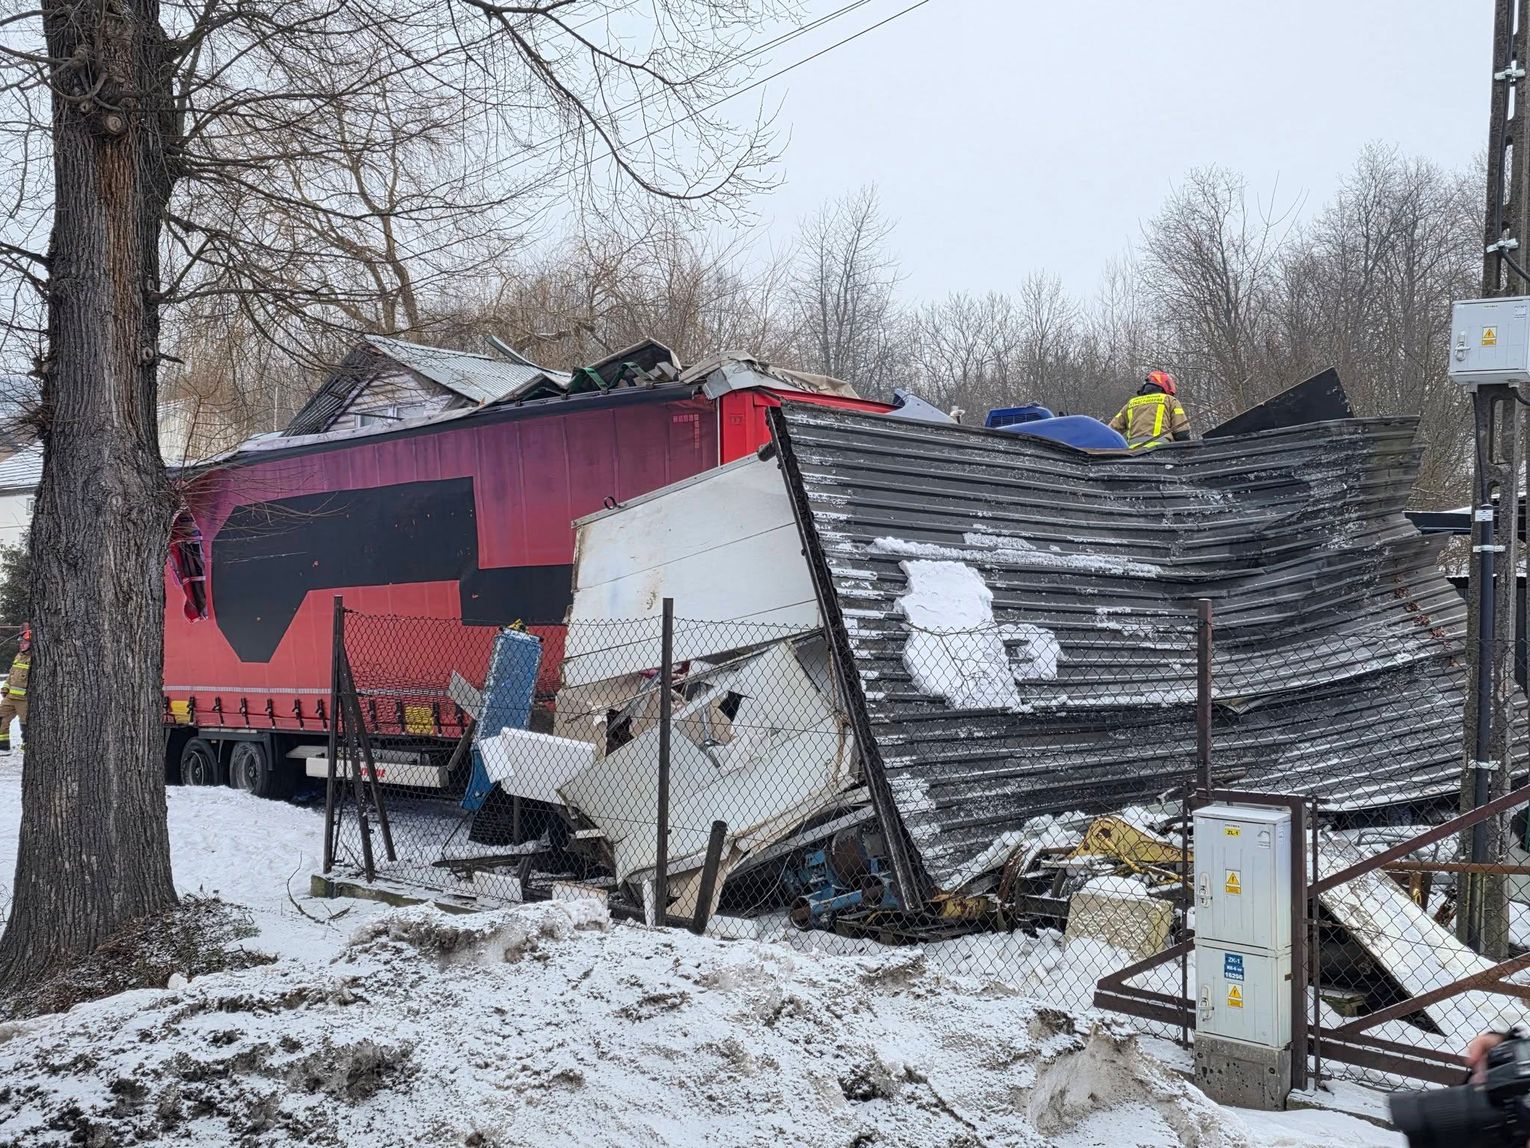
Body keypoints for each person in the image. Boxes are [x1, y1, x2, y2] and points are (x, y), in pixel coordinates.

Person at [1108, 370, 1193, 450]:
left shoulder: (1130, 404)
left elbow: (1110, 430)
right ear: (1166, 385)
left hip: (1134, 453)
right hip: (1162, 450)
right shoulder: (1169, 400)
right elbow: (1182, 432)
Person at [0, 624, 31, 755]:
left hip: (24, 699)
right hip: (10, 697)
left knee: (26, 725)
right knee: (1, 718)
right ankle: (3, 747)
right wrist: (5, 687)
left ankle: (27, 748)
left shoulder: (34, 658)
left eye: (25, 642)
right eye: (21, 642)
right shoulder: (18, 656)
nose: (22, 645)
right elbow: (11, 674)